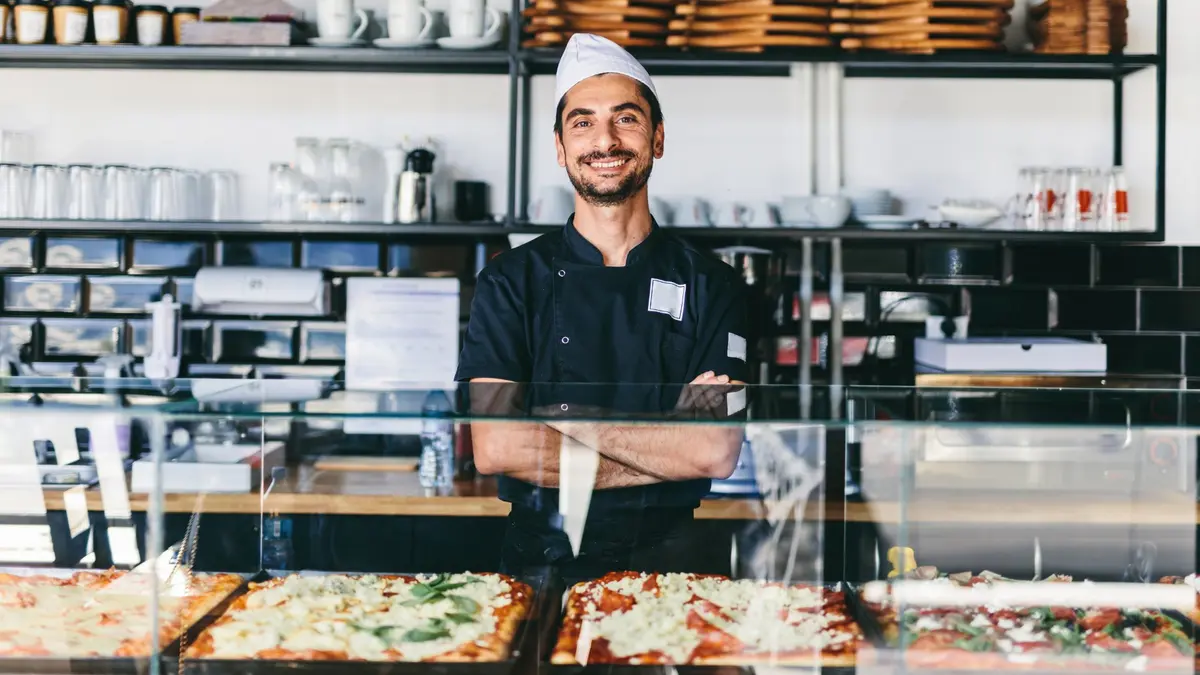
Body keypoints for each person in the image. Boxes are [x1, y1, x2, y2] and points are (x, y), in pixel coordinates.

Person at [455, 33, 750, 582]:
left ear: (657, 138)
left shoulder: (716, 285)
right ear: (561, 148)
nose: (605, 140)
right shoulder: (509, 281)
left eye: (626, 119)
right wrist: (664, 442)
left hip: (678, 565)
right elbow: (494, 447)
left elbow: (714, 452)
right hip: (542, 561)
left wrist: (564, 421)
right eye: (583, 122)